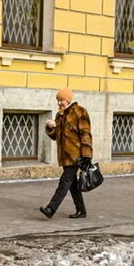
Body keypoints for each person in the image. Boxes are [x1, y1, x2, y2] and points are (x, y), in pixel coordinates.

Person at [40, 86, 93, 219]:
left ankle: (51, 209)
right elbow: (55, 137)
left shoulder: (80, 112)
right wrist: (50, 128)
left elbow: (85, 134)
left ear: (68, 100)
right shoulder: (60, 115)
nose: (59, 103)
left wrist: (86, 156)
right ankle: (81, 210)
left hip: (76, 156)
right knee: (72, 184)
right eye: (58, 100)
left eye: (61, 100)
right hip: (64, 156)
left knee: (65, 181)